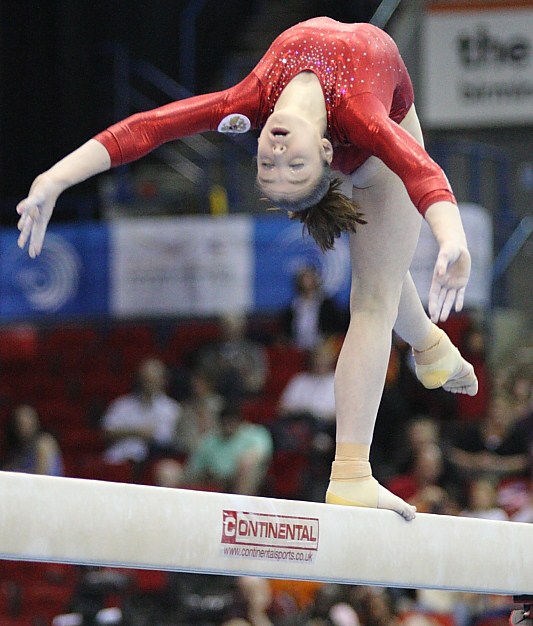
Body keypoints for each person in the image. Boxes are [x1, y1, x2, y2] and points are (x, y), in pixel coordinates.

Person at [17, 17, 478, 519]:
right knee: (372, 298)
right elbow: (422, 173)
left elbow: (150, 127)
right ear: (324, 152)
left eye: (269, 166)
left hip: (371, 151)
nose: (277, 154)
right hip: (382, 145)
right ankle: (353, 473)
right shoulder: (358, 112)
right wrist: (451, 237)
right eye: (293, 165)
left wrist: (55, 176)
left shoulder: (252, 100)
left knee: (380, 278)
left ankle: (430, 352)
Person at [101, 357, 181, 465]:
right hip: (117, 459)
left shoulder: (172, 409)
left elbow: (167, 439)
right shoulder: (122, 404)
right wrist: (136, 432)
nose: (148, 384)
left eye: (153, 380)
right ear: (139, 379)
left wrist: (126, 432)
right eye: (145, 379)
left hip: (150, 463)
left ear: (163, 380)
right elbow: (106, 432)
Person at [281, 265, 347, 351]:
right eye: (304, 277)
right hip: (297, 347)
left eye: (310, 277)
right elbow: (286, 330)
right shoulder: (294, 305)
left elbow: (335, 327)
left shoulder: (326, 304)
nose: (307, 281)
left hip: (321, 346)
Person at [1, 404, 64, 475]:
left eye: (27, 421)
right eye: (20, 422)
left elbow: (42, 474)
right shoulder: (17, 450)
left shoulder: (44, 443)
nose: (24, 425)